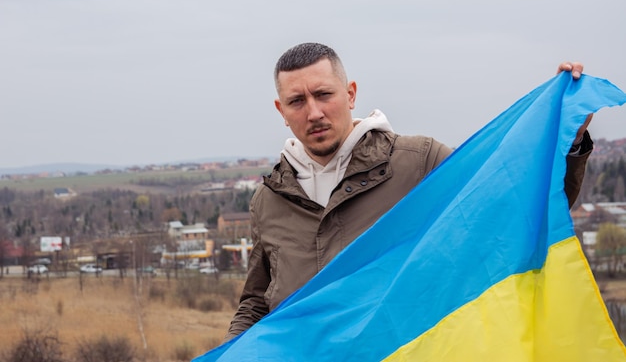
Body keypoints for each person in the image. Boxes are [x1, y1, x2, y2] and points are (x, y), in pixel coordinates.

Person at [225, 42, 593, 340]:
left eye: (324, 94)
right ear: (281, 110)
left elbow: (510, 207)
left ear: (351, 94)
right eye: (297, 101)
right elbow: (258, 300)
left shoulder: (418, 163)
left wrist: (567, 139)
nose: (314, 112)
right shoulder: (270, 199)